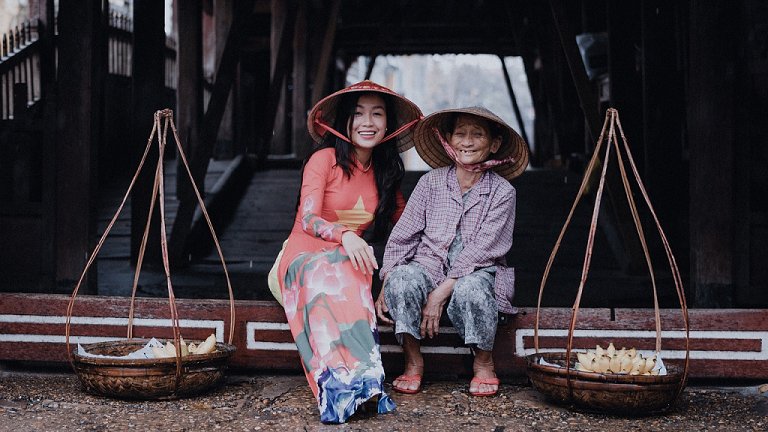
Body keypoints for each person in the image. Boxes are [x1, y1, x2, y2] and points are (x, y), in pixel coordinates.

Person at [270, 80, 422, 423]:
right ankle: (336, 387)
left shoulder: (386, 171)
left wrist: (394, 274)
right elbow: (308, 219)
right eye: (358, 114)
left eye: (377, 114)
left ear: (387, 125)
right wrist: (346, 236)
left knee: (355, 266)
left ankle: (366, 382)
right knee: (342, 262)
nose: (367, 122)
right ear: (344, 122)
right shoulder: (323, 160)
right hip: (300, 258)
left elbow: (407, 227)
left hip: (348, 265)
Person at [375, 107, 529, 397]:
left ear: (494, 144)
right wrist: (388, 279)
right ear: (448, 140)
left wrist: (440, 293)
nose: (467, 142)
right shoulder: (430, 183)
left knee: (471, 290)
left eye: (477, 135)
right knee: (402, 280)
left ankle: (483, 362)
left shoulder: (503, 192)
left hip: (477, 271)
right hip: (428, 265)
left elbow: (483, 250)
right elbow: (402, 237)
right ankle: (412, 359)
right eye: (460, 133)